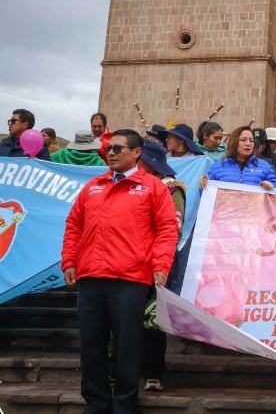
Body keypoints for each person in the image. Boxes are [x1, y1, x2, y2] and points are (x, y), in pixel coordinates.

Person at [61, 129, 179, 413]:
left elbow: (166, 230)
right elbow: (74, 226)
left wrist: (160, 266)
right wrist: (69, 261)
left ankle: (124, 405)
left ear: (137, 153)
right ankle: (96, 404)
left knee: (127, 346)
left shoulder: (153, 187)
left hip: (130, 279)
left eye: (117, 148)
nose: (110, 153)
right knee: (91, 345)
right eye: (108, 149)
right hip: (91, 277)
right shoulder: (93, 186)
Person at [135, 140, 187, 392]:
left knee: (151, 320)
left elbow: (173, 228)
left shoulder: (172, 189)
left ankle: (153, 373)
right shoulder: (127, 185)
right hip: (131, 263)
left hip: (159, 263)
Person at [205, 126, 276, 189]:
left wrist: (271, 187)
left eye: (251, 141)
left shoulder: (265, 166)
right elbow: (207, 194)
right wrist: (203, 184)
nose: (248, 144)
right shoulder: (217, 167)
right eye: (243, 140)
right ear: (234, 142)